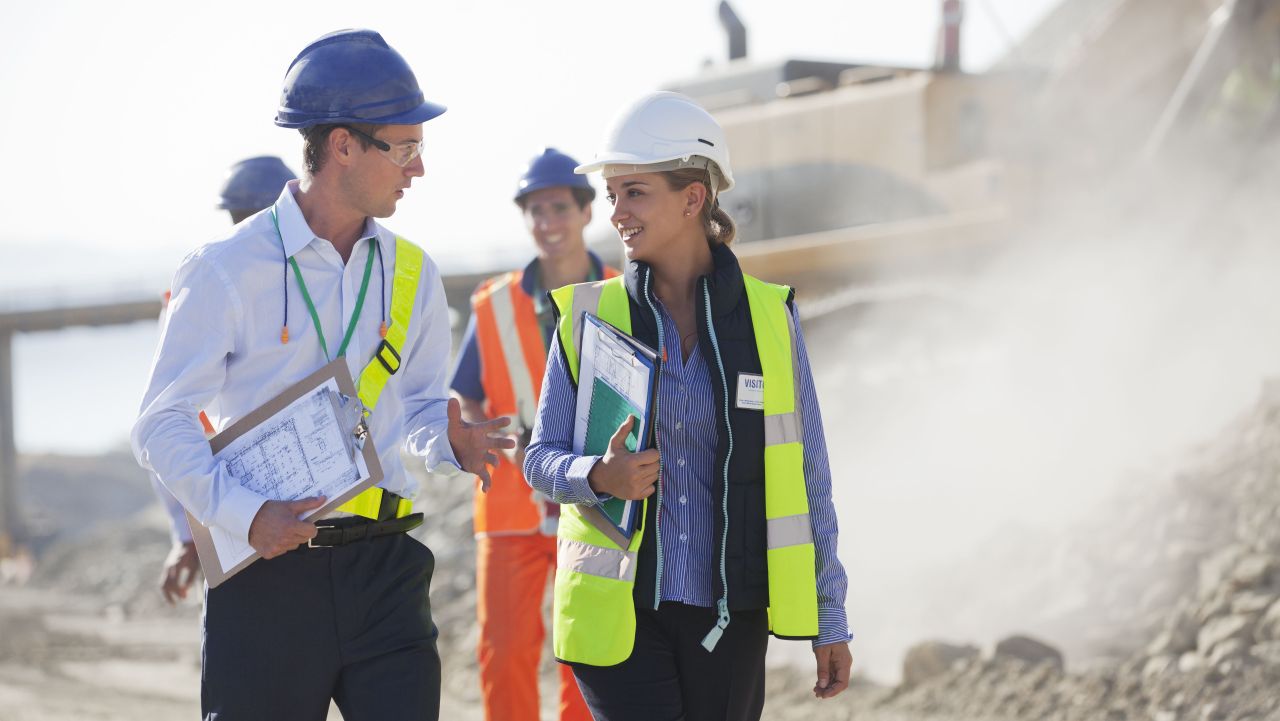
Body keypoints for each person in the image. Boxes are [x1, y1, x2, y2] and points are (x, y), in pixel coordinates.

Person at [131, 29, 511, 721]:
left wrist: (451, 441)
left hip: (386, 569)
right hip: (266, 577)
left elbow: (421, 409)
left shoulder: (413, 272)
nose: (418, 168)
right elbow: (159, 424)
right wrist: (245, 517)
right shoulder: (222, 270)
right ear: (341, 145)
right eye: (405, 146)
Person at [523, 91, 853, 721]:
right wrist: (598, 476)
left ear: (693, 197)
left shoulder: (768, 318)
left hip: (728, 618)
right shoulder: (588, 316)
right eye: (613, 194)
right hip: (619, 619)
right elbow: (540, 459)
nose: (615, 212)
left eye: (635, 192)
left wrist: (829, 613)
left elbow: (810, 473)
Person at [449, 148, 611, 721]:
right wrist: (483, 437)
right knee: (506, 651)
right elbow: (466, 394)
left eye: (558, 208)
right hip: (513, 505)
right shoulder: (491, 305)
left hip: (598, 499)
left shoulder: (623, 293)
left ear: (586, 211)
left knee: (587, 651)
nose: (547, 222)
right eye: (535, 210)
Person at [151, 155, 298, 605]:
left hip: (288, 517)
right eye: (241, 217)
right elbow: (169, 424)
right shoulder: (200, 294)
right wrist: (188, 532)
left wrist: (186, 531)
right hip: (234, 515)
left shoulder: (314, 287)